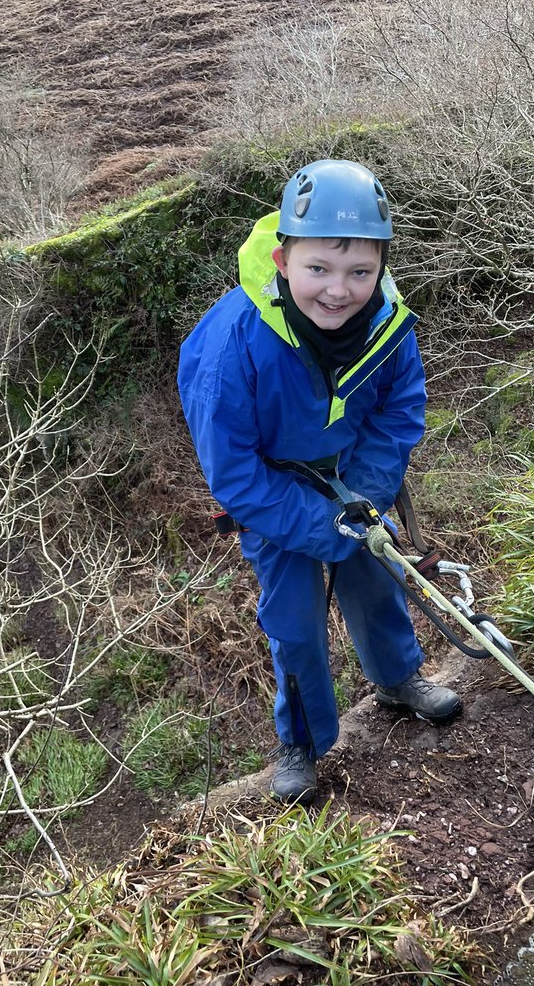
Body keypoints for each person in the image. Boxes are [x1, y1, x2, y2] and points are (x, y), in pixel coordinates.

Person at [177, 159, 460, 804]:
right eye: (319, 270)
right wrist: (320, 526)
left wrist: (365, 496)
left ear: (382, 268)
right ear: (283, 261)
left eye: (361, 272)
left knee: (377, 578)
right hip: (276, 503)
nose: (338, 290)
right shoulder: (230, 346)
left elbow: (399, 410)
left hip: (353, 486)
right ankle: (301, 741)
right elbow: (233, 473)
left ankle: (396, 679)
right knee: (295, 623)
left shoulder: (390, 325)